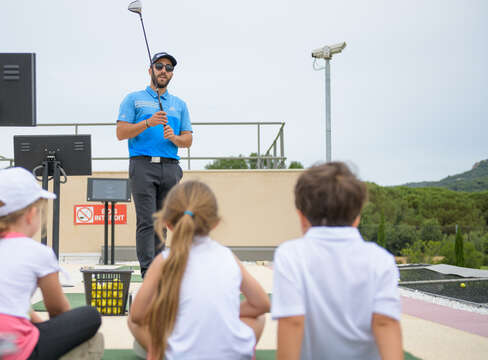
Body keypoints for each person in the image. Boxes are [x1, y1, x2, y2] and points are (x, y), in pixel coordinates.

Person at [0, 167, 102, 360]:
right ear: (31, 213)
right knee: (90, 315)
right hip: (9, 352)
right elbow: (58, 311)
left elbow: (6, 305)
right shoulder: (38, 252)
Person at [271, 162, 403, 360]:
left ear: (301, 216)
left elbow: (292, 321)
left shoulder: (290, 255)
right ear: (357, 217)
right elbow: (385, 322)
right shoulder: (381, 260)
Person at [127, 180, 270, 360]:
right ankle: (242, 350)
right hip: (230, 353)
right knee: (259, 319)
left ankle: (161, 352)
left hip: (180, 353)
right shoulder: (228, 256)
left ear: (167, 224)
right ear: (215, 223)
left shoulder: (162, 261)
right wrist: (226, 313)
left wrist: (175, 316)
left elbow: (138, 315)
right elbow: (262, 304)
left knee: (132, 320)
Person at [116, 51, 193, 278]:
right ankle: (149, 271)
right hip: (142, 165)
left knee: (165, 220)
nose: (164, 71)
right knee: (147, 221)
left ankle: (162, 267)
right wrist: (148, 122)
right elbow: (121, 132)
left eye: (169, 68)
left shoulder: (180, 104)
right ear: (150, 70)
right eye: (159, 66)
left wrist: (174, 138)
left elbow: (187, 139)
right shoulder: (133, 99)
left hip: (170, 167)